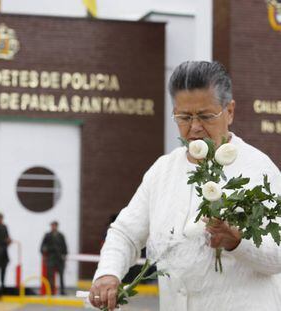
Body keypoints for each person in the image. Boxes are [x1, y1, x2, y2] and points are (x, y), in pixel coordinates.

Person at [89, 61, 281, 311]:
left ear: (230, 111)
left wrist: (238, 241)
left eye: (205, 116)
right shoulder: (163, 170)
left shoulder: (258, 169)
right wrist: (108, 273)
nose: (195, 127)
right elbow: (125, 233)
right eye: (184, 117)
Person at [40, 220, 68, 295]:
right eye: (52, 225)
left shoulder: (61, 235)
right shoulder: (47, 235)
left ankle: (62, 291)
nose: (53, 227)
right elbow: (42, 247)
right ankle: (51, 292)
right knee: (50, 276)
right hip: (51, 258)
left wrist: (64, 256)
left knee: (61, 275)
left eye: (55, 225)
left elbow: (64, 247)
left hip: (59, 259)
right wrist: (45, 252)